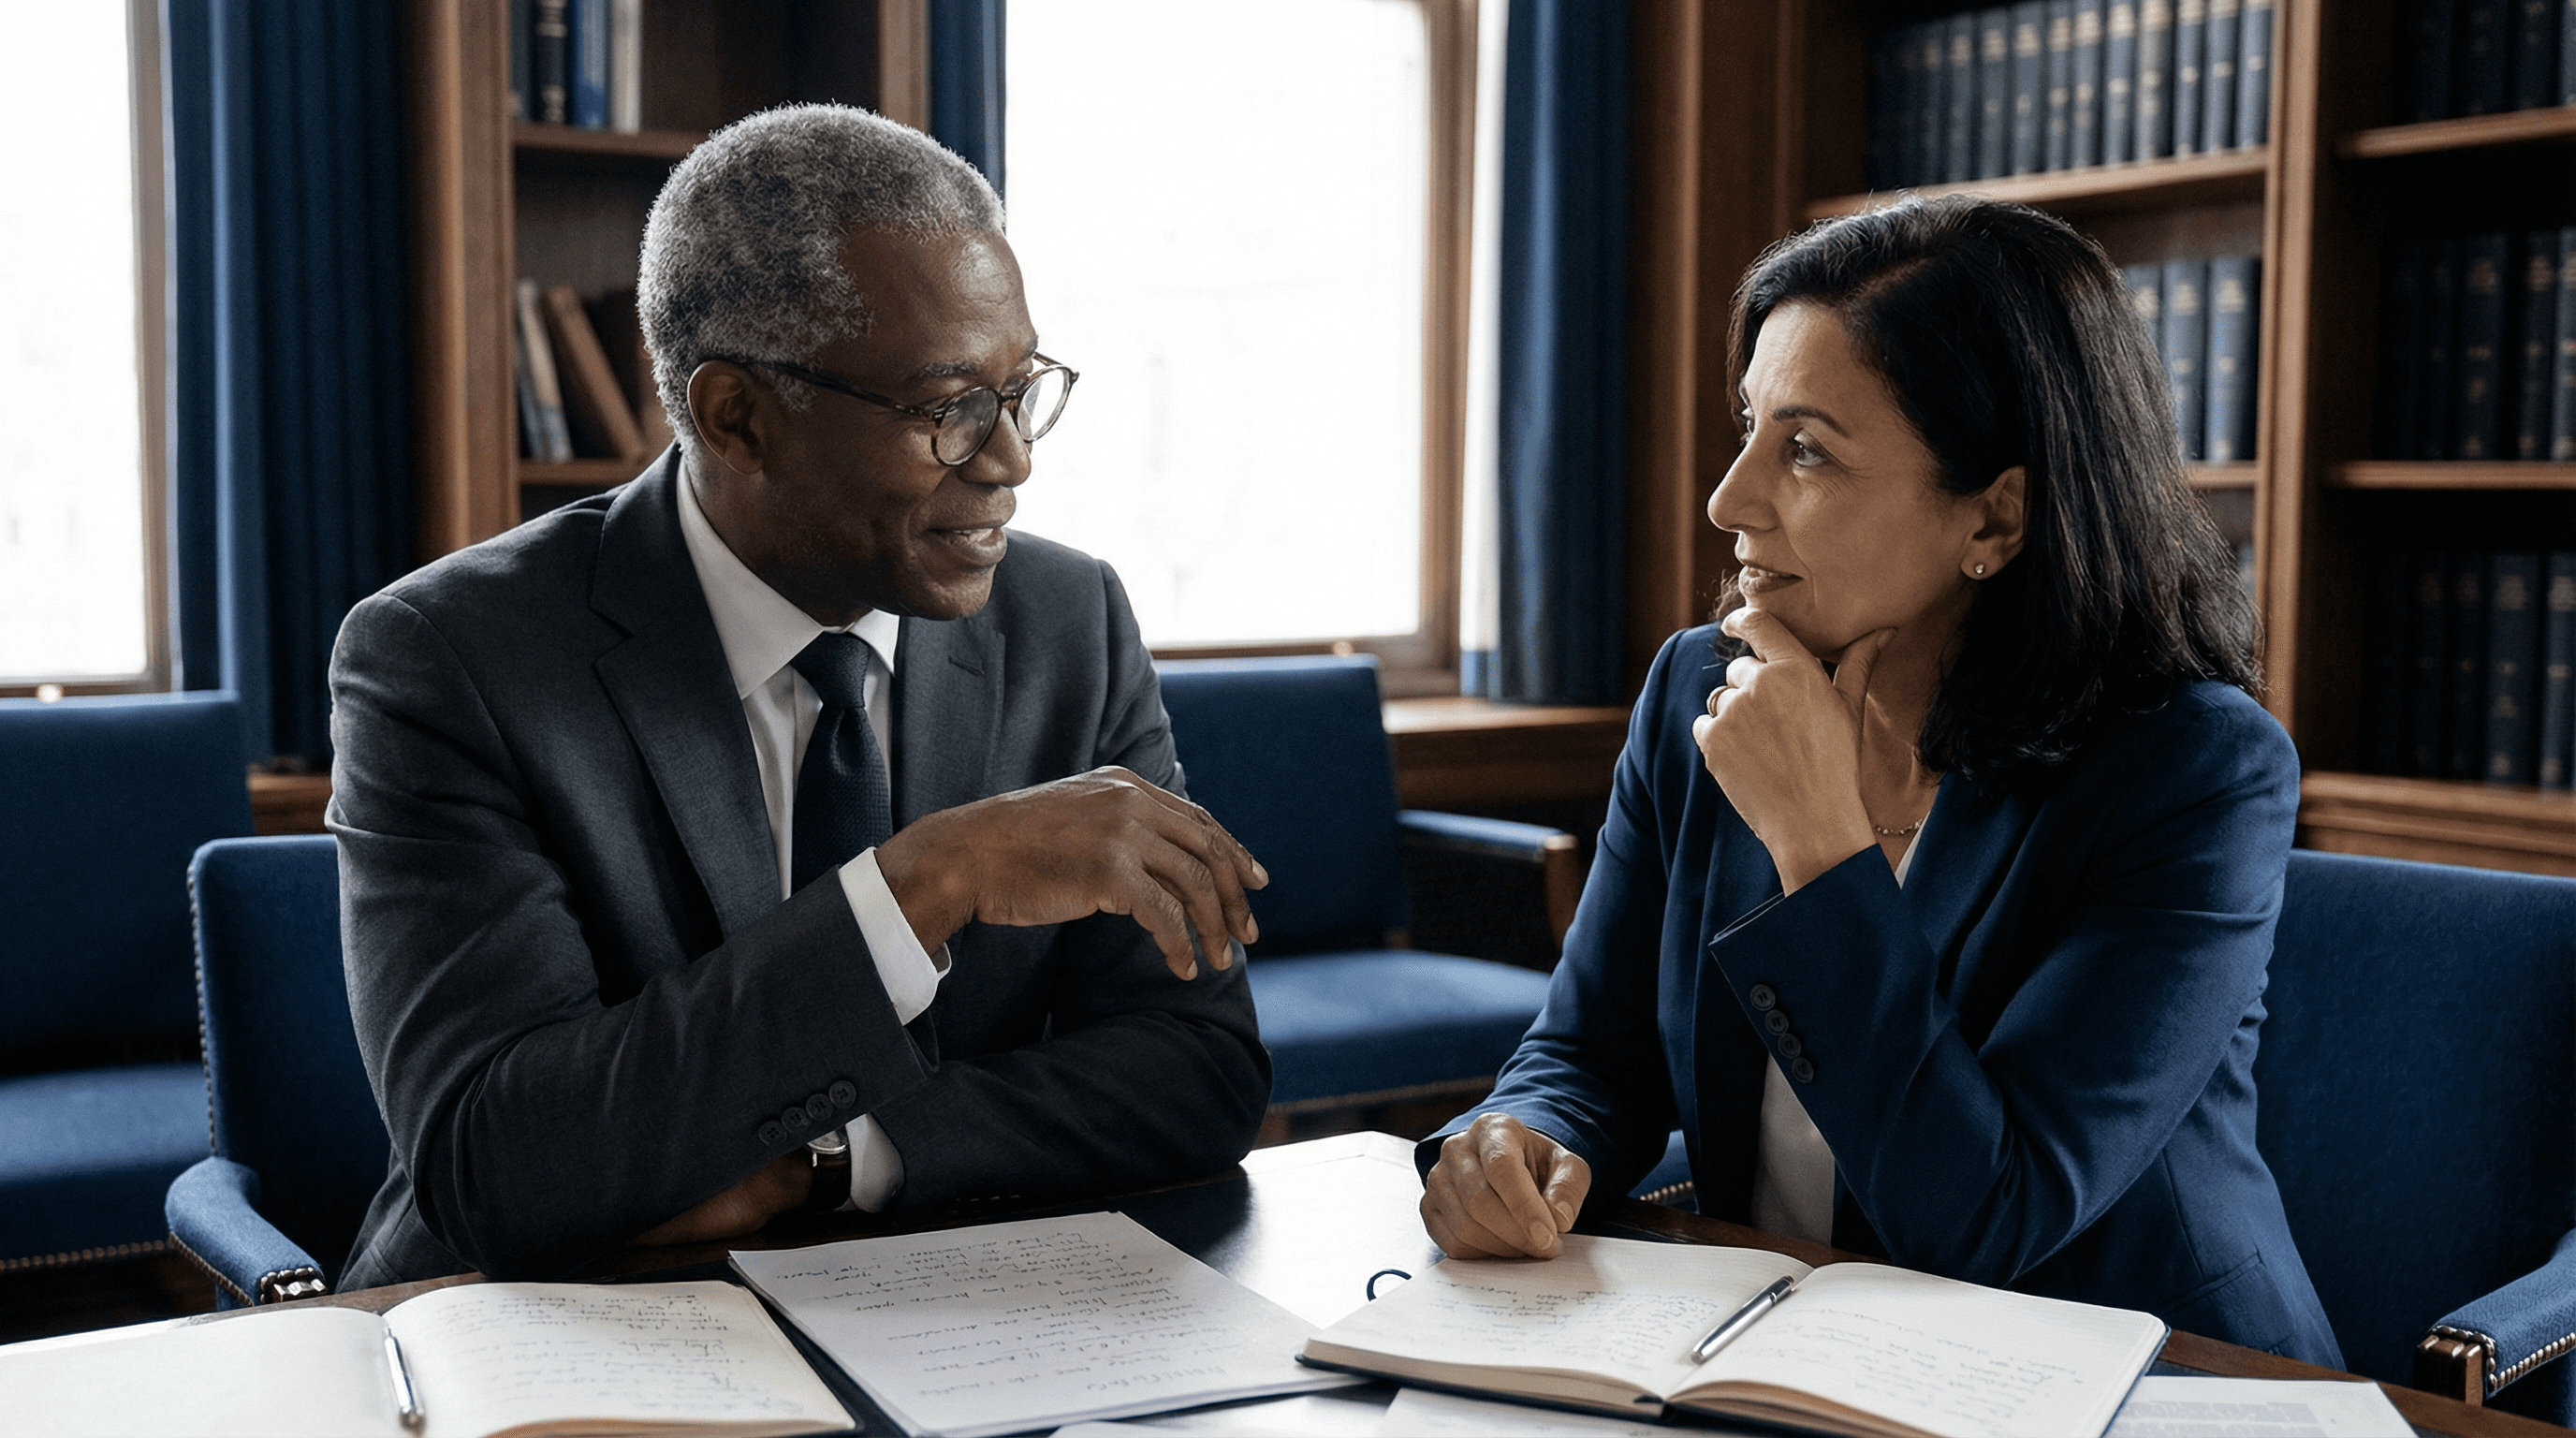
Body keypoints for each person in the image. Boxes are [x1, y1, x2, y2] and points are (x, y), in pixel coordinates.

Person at [329, 105, 1271, 1289]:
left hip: (961, 1314)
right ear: (740, 417)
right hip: (559, 1326)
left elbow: (1195, 1071)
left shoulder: (1069, 623)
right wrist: (927, 883)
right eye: (945, 409)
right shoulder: (451, 658)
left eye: (1018, 386)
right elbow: (502, 1162)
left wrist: (828, 1163)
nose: (1011, 458)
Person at [1418, 196, 2342, 1366]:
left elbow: (1985, 1218)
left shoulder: (2193, 771)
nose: (1727, 499)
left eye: (1804, 449)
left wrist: (1819, 841)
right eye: (1748, 425)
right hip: (1787, 1349)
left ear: (1995, 518)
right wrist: (1520, 1136)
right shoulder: (1696, 693)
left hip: (2134, 1373)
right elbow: (1590, 1051)